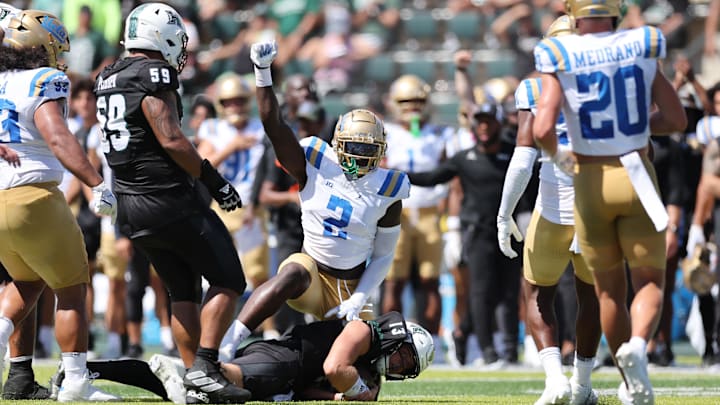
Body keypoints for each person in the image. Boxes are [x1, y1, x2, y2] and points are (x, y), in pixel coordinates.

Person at [532, 1, 687, 403]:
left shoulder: (559, 51)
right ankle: (637, 345)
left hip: (589, 180)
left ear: (574, 14)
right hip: (635, 172)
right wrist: (635, 126)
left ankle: (626, 377)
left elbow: (543, 127)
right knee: (650, 281)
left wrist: (566, 160)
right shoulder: (641, 43)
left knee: (607, 293)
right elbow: (676, 120)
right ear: (615, 12)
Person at [93, 3, 249, 404]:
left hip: (130, 206)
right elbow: (171, 139)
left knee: (183, 292)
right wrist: (215, 182)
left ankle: (194, 382)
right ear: (160, 36)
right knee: (229, 280)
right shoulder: (152, 74)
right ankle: (206, 367)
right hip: (167, 198)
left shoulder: (109, 75)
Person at [218, 39, 409, 356]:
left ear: (380, 152)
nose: (360, 158)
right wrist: (263, 73)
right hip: (311, 276)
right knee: (291, 270)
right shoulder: (315, 161)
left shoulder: (388, 189)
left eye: (367, 150)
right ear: (337, 143)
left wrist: (360, 297)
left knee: (357, 375)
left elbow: (384, 255)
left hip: (351, 286)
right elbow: (274, 125)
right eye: (354, 147)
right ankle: (230, 341)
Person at [0, 9, 118, 402]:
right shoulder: (45, 80)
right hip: (33, 196)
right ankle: (76, 383)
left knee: (29, 280)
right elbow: (58, 137)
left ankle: (0, 334)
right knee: (71, 289)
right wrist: (96, 182)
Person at [498, 15, 601, 405]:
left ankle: (556, 378)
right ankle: (582, 385)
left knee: (538, 293)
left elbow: (523, 159)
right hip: (595, 205)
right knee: (591, 296)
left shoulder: (534, 87)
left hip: (553, 206)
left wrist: (504, 212)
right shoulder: (602, 84)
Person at [50, 311, 433, 403]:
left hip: (287, 374)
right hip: (282, 360)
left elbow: (329, 388)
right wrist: (354, 391)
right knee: (207, 385)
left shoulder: (367, 367)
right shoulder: (362, 330)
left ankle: (87, 370)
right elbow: (335, 368)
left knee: (183, 391)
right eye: (402, 360)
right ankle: (176, 371)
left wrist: (337, 395)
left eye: (405, 370)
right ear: (397, 342)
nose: (397, 368)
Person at [382, 74, 454, 362]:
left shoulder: (440, 134)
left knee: (430, 280)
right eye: (406, 102)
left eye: (417, 101)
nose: (412, 107)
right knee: (393, 281)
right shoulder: (385, 132)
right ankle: (391, 341)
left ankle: (431, 342)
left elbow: (451, 175)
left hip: (428, 212)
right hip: (396, 212)